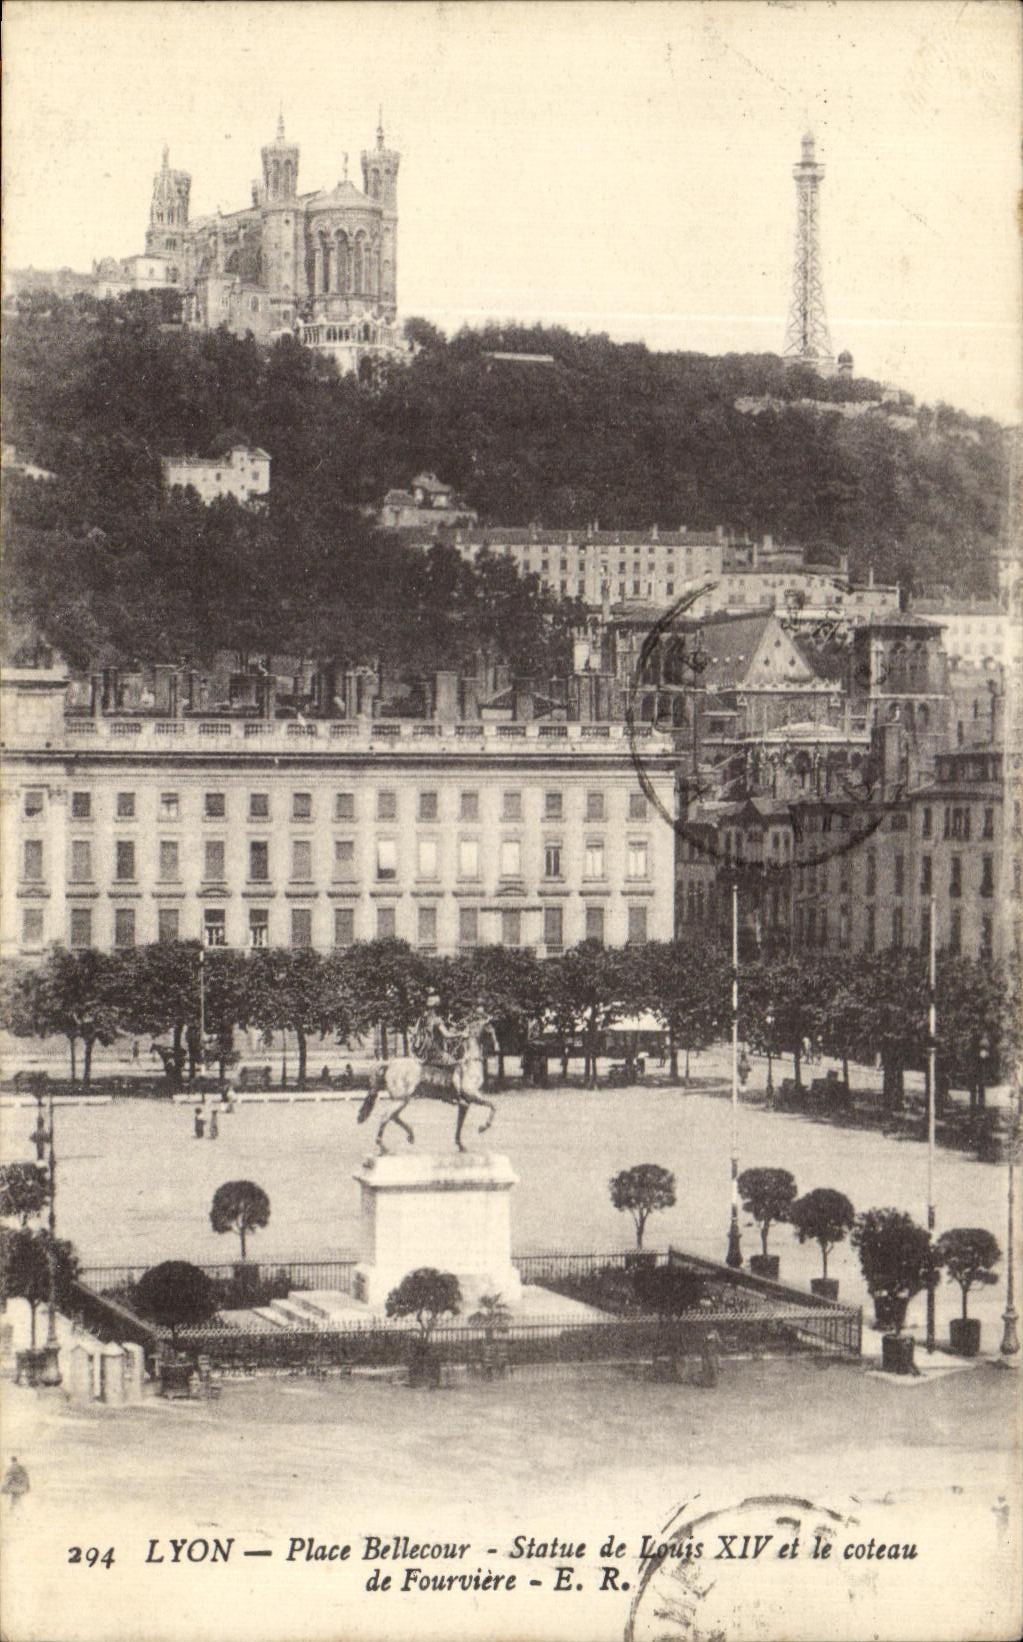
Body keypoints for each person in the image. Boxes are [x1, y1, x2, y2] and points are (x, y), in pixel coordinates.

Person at [412, 994, 457, 1071]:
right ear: (436, 1008)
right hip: (437, 1053)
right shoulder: (437, 1020)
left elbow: (414, 1032)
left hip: (424, 1054)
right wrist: (459, 1034)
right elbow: (446, 1035)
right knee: (454, 1065)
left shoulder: (423, 1020)